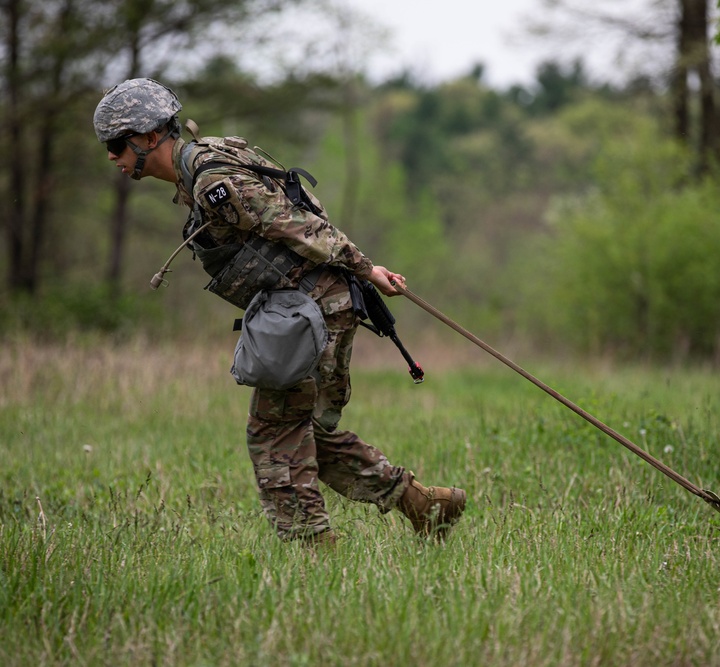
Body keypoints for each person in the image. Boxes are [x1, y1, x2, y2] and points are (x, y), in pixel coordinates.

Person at [93, 78, 465, 547]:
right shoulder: (201, 168)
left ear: (149, 137)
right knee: (300, 429)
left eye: (116, 144)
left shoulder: (212, 180)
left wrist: (368, 271)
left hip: (314, 311)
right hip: (308, 309)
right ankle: (423, 504)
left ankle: (314, 550)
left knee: (274, 433)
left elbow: (297, 224)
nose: (111, 157)